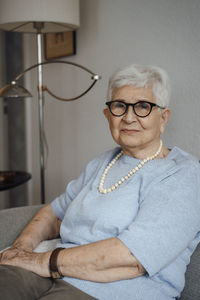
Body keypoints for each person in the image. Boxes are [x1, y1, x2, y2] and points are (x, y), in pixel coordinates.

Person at [0, 64, 200, 300]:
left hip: (114, 291)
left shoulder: (184, 174)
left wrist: (43, 261)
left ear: (163, 117)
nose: (128, 117)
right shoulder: (103, 162)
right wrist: (21, 248)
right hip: (49, 272)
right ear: (107, 115)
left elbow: (133, 258)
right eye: (119, 106)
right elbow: (53, 214)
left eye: (143, 107)